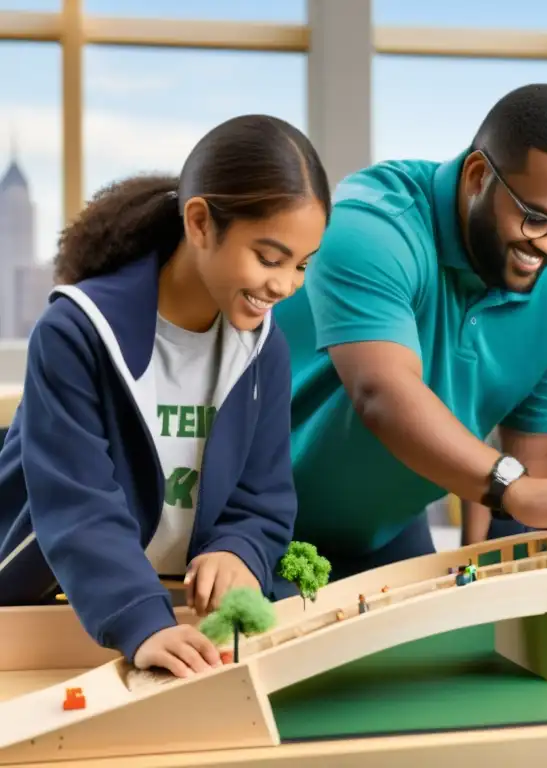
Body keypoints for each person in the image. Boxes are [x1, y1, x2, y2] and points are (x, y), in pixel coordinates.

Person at [0, 114, 332, 678]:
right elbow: (79, 504)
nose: (285, 285)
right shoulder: (76, 333)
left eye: (301, 265)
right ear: (200, 223)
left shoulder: (264, 348)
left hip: (176, 614)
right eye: (270, 259)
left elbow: (264, 497)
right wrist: (139, 618)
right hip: (48, 604)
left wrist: (240, 551)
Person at [274, 83, 547, 579]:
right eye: (534, 219)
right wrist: (515, 487)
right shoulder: (370, 224)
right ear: (479, 176)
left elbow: (529, 474)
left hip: (390, 535)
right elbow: (382, 393)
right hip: (266, 529)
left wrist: (493, 568)